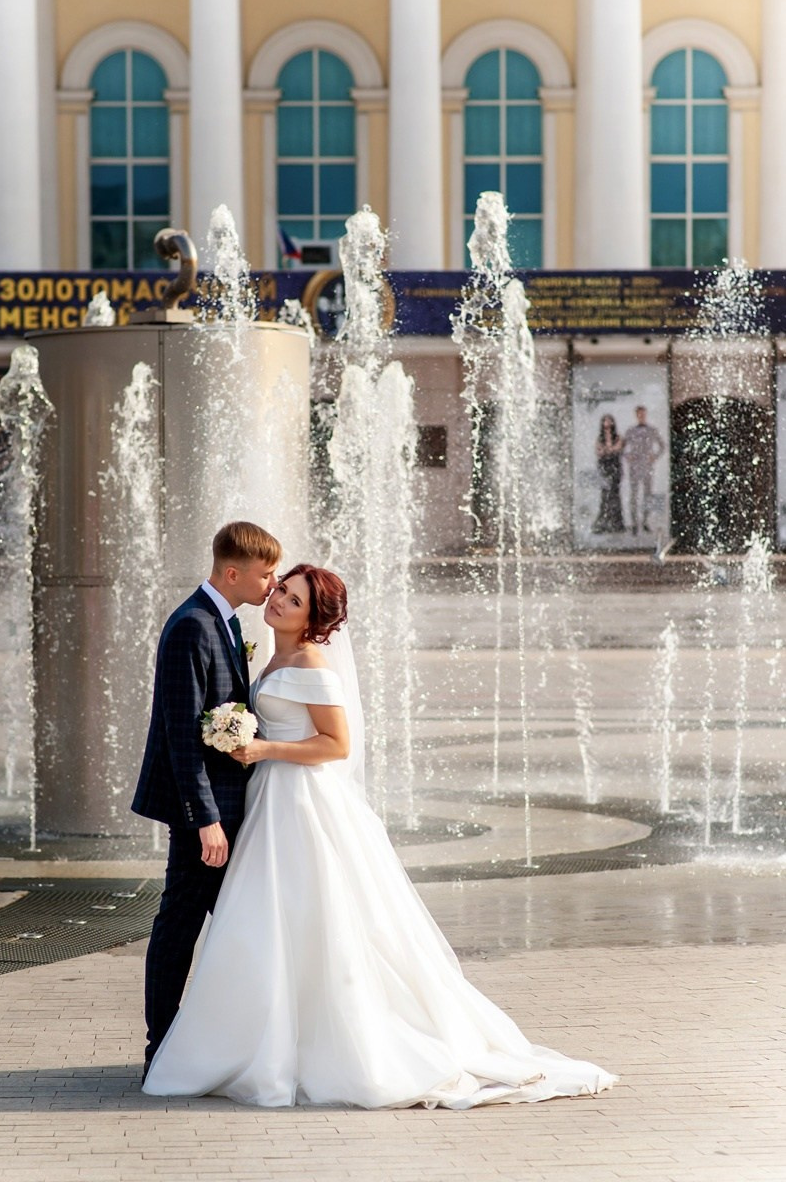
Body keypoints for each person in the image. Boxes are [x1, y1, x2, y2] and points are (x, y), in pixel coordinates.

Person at [142, 563, 617, 1108]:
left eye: (293, 601)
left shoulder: (312, 664)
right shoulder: (270, 655)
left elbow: (336, 744)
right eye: (282, 590)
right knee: (272, 920)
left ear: (312, 620)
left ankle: (319, 1042)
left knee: (312, 916)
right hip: (269, 799)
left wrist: (266, 748)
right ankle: (267, 1035)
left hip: (300, 800)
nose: (278, 600)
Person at [131, 520, 281, 1084]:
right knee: (179, 926)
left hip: (225, 807)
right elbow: (179, 734)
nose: (272, 584)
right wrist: (206, 821)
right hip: (207, 814)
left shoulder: (225, 620)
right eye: (266, 575)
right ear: (233, 573)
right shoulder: (192, 626)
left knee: (235, 925)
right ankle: (161, 1050)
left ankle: (224, 1045)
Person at [623, 405, 666, 535]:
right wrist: (627, 455)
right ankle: (634, 523)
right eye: (639, 414)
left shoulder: (652, 430)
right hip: (635, 467)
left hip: (647, 467)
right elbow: (622, 447)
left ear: (645, 414)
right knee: (634, 495)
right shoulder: (631, 431)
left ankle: (645, 521)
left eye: (643, 414)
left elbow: (662, 445)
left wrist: (655, 456)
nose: (641, 416)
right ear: (636, 415)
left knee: (647, 495)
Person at [592, 413, 625, 534]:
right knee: (605, 495)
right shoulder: (600, 437)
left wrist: (608, 449)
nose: (607, 424)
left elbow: (617, 448)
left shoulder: (617, 436)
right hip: (604, 467)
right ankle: (603, 522)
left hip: (614, 467)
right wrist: (608, 449)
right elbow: (599, 450)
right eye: (605, 421)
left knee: (615, 495)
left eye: (609, 421)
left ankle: (617, 523)